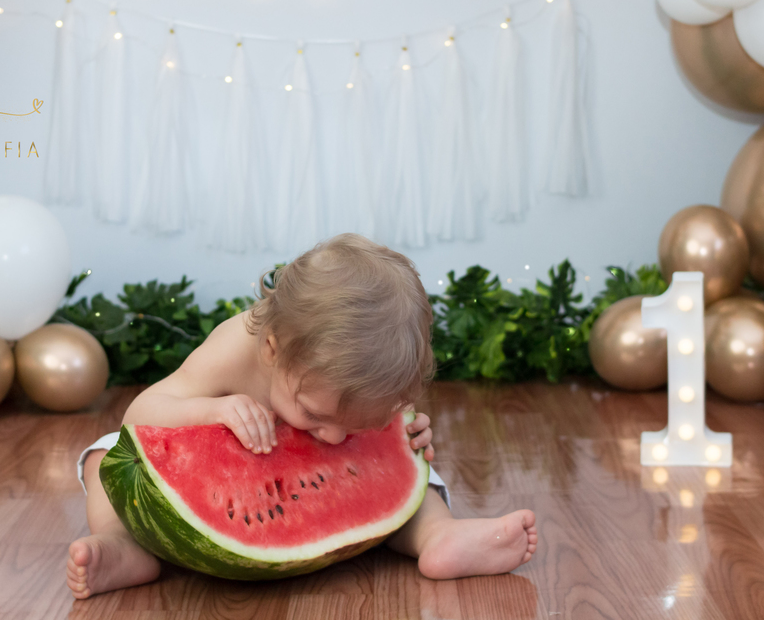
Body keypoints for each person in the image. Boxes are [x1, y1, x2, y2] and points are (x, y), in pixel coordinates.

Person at [66, 233, 537, 599]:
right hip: (213, 465)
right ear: (272, 350)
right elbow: (141, 414)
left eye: (358, 424)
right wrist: (214, 408)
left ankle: (439, 535)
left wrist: (405, 434)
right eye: (314, 413)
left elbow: (391, 422)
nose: (334, 438)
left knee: (418, 477)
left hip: (321, 486)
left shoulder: (352, 383)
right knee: (106, 454)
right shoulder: (235, 349)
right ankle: (122, 542)